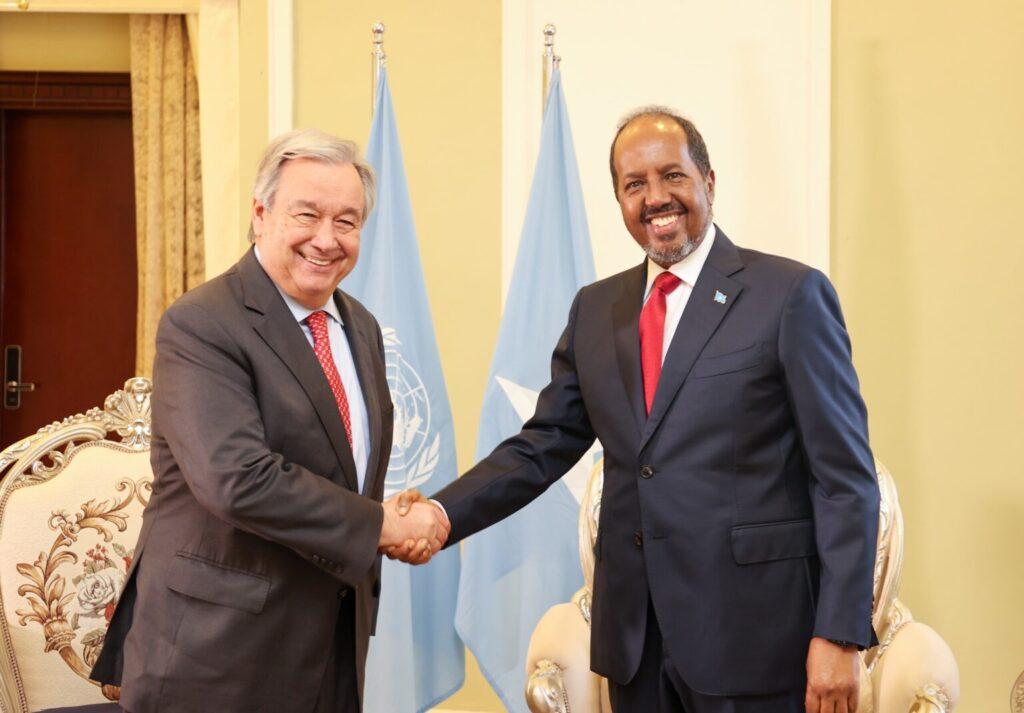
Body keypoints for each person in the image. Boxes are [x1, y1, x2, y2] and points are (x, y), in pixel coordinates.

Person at [405, 108, 879, 712]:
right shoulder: (596, 310)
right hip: (636, 643)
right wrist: (442, 513)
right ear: (621, 200)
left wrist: (839, 633)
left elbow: (844, 477)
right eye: (634, 184)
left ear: (708, 182)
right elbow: (542, 445)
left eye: (672, 175)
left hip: (755, 637)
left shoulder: (789, 295)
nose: (655, 198)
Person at [91, 129, 448, 713]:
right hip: (217, 655)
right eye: (307, 214)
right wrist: (380, 526)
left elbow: (342, 470)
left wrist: (386, 523)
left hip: (334, 642)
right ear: (260, 214)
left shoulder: (359, 326)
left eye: (347, 221)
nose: (326, 239)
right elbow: (237, 478)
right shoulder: (202, 323)